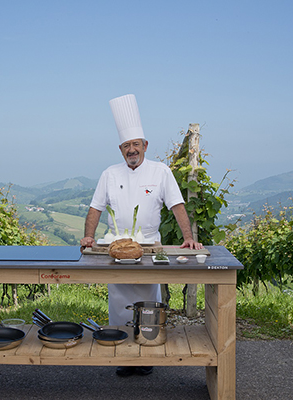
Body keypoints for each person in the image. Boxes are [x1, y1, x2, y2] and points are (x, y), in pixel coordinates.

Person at [80, 94, 203, 377]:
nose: (131, 149)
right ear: (120, 149)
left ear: (145, 146)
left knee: (147, 302)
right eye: (126, 145)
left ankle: (147, 352)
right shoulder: (109, 174)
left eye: (136, 144)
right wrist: (89, 237)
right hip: (116, 247)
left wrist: (189, 238)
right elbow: (95, 209)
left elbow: (177, 206)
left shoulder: (160, 171)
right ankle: (124, 354)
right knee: (119, 305)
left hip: (149, 247)